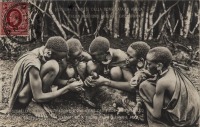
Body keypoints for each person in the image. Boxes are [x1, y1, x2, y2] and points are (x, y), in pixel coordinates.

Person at [0, 36, 84, 118]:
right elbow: (38, 96)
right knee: (53, 65)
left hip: (31, 91)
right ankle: (32, 103)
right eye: (59, 59)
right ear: (49, 53)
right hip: (22, 99)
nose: (59, 61)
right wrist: (68, 88)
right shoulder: (34, 63)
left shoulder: (43, 51)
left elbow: (46, 78)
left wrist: (66, 82)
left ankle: (40, 101)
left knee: (54, 65)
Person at [84, 41, 151, 120]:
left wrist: (106, 82)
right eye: (127, 54)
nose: (126, 57)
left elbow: (134, 86)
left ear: (141, 61)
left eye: (130, 57)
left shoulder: (147, 70)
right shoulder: (132, 63)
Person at [139, 47, 200, 127]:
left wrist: (144, 101)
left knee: (144, 86)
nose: (146, 66)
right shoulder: (172, 69)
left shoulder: (163, 82)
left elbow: (156, 114)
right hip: (195, 115)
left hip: (183, 121)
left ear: (159, 65)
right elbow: (153, 74)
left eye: (149, 64)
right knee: (148, 84)